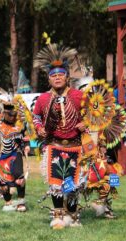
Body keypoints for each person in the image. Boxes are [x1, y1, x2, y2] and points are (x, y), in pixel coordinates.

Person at [33, 43, 86, 229]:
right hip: (54, 145)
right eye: (53, 76)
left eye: (60, 75)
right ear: (49, 79)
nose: (57, 78)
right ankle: (57, 216)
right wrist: (39, 127)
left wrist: (85, 123)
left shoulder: (79, 96)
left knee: (74, 183)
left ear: (67, 76)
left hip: (75, 145)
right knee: (56, 182)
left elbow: (94, 114)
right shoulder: (43, 99)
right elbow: (36, 116)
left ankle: (72, 215)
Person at [0, 102, 30, 212]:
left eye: (14, 115)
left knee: (19, 178)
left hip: (16, 153)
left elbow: (25, 137)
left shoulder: (20, 125)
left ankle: (20, 202)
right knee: (3, 182)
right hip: (0, 156)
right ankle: (8, 202)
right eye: (10, 115)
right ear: (4, 114)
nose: (12, 117)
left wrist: (27, 146)